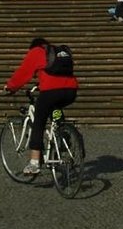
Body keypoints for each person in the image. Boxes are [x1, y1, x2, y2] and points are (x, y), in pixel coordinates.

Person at [4, 37, 78, 176]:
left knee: (38, 122)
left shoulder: (37, 51)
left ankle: (34, 163)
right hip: (71, 91)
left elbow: (23, 73)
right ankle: (62, 132)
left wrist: (10, 87)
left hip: (51, 91)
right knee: (55, 107)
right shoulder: (56, 52)